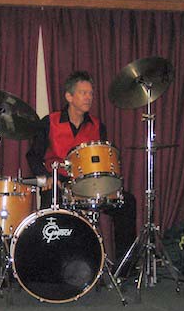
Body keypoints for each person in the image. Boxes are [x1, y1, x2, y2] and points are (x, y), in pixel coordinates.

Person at [26, 70, 137, 267]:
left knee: (127, 202)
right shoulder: (49, 122)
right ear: (69, 96)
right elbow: (33, 155)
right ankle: (53, 264)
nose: (89, 97)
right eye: (83, 93)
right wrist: (45, 177)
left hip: (90, 184)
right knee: (51, 201)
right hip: (59, 183)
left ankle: (124, 267)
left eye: (91, 93)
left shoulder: (97, 125)